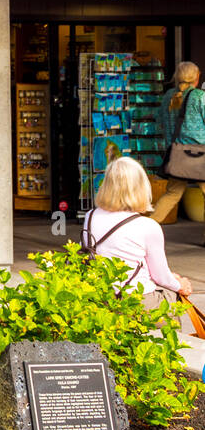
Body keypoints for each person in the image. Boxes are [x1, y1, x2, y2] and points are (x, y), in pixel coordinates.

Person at [82, 155, 191, 303]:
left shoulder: (91, 216)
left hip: (99, 297)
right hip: (133, 299)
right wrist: (180, 285)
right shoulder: (148, 226)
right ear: (141, 187)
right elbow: (161, 277)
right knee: (175, 295)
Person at [152, 61, 205, 239]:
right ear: (196, 78)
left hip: (177, 155)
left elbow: (161, 123)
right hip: (201, 155)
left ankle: (146, 230)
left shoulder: (168, 96)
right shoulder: (199, 97)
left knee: (172, 194)